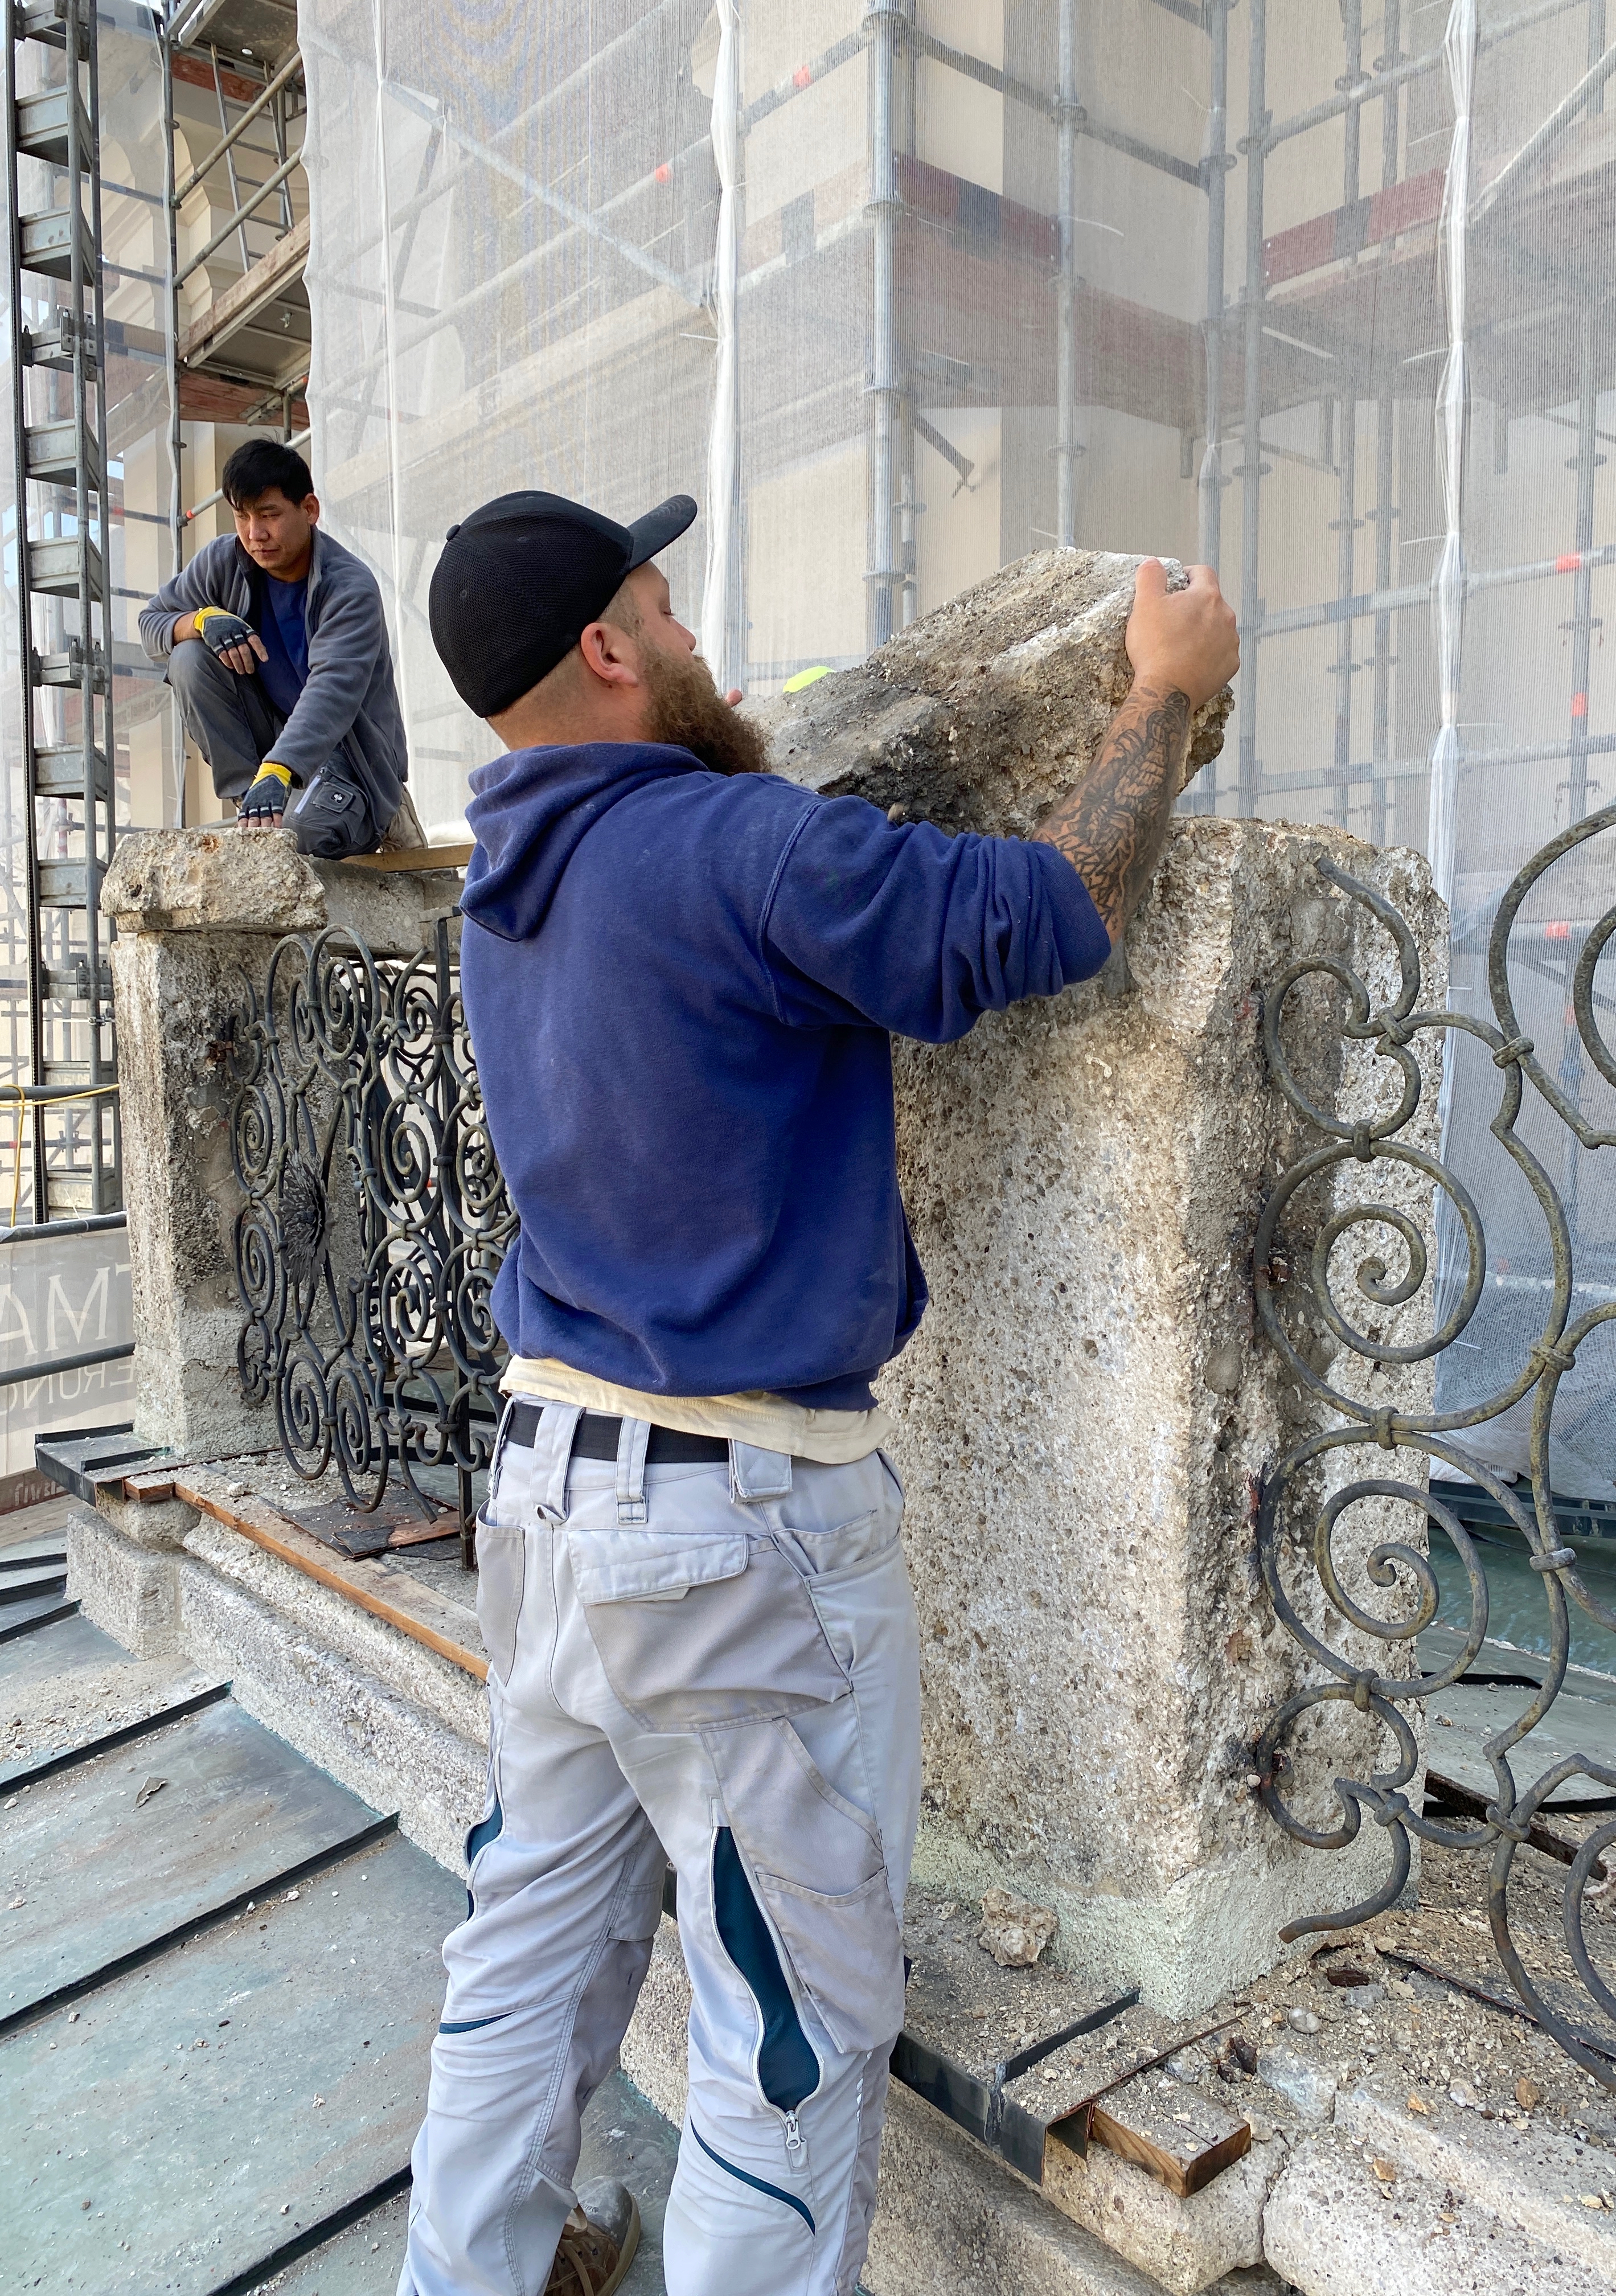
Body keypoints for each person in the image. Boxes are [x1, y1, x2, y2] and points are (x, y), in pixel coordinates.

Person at [405, 489, 1239, 2296]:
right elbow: (1047, 909)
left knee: (529, 1952)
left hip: (550, 1503)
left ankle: (471, 2271)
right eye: (668, 608)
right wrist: (1161, 694)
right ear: (612, 652)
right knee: (782, 2038)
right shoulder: (726, 847)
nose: (699, 636)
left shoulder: (506, 884)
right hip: (732, 1531)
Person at [139, 438, 421, 856]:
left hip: (346, 754)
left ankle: (387, 814)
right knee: (189, 657)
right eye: (242, 517)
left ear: (309, 510)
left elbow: (333, 690)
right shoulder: (223, 561)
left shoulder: (349, 588)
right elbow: (151, 623)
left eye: (269, 516)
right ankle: (253, 805)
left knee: (301, 837)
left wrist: (280, 768)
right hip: (271, 744)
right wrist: (196, 621)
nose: (255, 534)